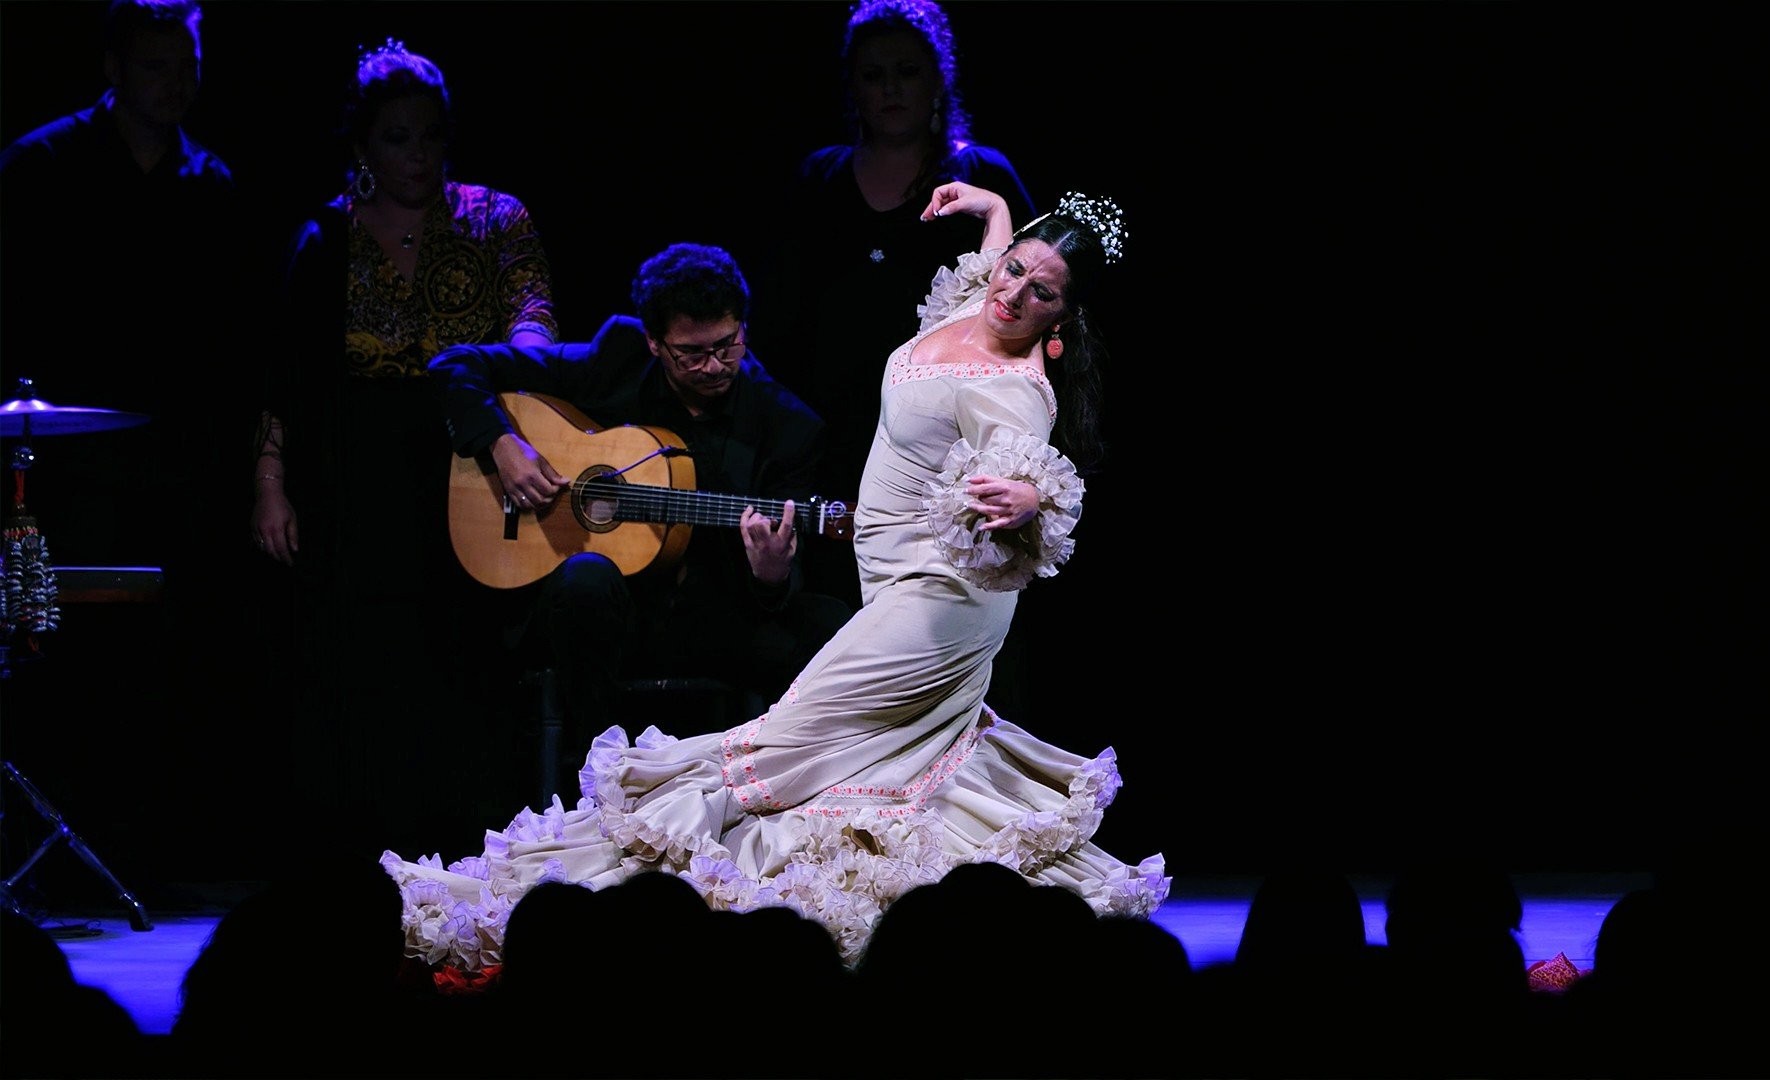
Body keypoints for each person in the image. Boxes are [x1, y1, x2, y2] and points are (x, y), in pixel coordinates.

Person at [382, 183, 1166, 978]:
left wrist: (1030, 498)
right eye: (1014, 269)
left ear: (1063, 319)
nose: (1012, 292)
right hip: (893, 584)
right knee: (874, 769)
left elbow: (1035, 473)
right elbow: (988, 272)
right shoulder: (975, 305)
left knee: (780, 750)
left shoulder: (1014, 389)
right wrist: (994, 208)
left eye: (1041, 292)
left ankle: (676, 905)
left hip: (942, 604)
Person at [249, 38, 559, 857]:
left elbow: (536, 318)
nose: (416, 154)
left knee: (460, 655)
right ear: (361, 147)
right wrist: (271, 478)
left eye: (429, 135)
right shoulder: (325, 237)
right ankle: (360, 848)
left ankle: (460, 843)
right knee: (362, 659)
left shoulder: (498, 218)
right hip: (354, 469)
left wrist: (510, 392)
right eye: (395, 138)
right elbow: (290, 373)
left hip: (470, 456)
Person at [425, 241, 856, 801]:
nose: (714, 366)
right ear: (654, 343)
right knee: (585, 579)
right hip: (608, 622)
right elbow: (454, 366)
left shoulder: (787, 426)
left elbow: (778, 582)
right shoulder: (615, 358)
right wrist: (503, 445)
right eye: (690, 353)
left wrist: (771, 575)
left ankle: (769, 799)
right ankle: (599, 786)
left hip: (711, 618)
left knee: (831, 622)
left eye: (727, 345)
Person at [0, 0, 267, 882]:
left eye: (186, 63)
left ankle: (158, 852)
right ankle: (54, 855)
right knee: (62, 655)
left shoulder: (213, 183)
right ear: (114, 69)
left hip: (179, 462)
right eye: (157, 64)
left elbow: (232, 340)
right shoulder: (41, 167)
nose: (176, 82)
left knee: (173, 660)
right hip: (69, 463)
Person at [752, 0, 1039, 618]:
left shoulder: (982, 177)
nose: (890, 89)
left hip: (945, 437)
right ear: (852, 84)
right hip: (832, 439)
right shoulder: (820, 178)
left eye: (906, 72)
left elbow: (1030, 301)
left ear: (937, 79)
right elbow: (779, 320)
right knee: (840, 609)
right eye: (873, 74)